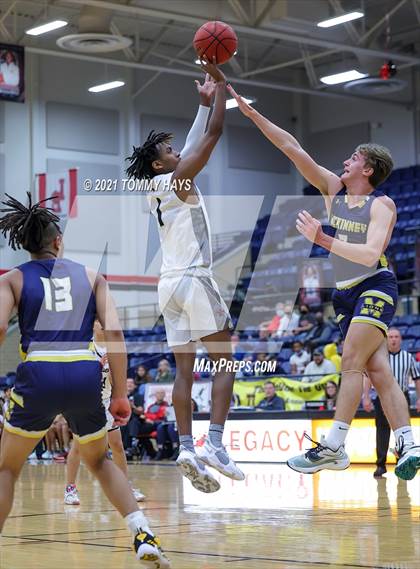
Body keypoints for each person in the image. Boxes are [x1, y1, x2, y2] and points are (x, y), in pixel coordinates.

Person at [228, 85, 419, 480]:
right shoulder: (333, 190)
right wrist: (251, 115)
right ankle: (410, 443)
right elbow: (293, 148)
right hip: (345, 296)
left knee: (350, 361)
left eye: (354, 158)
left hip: (376, 285)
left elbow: (368, 255)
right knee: (379, 371)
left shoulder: (382, 205)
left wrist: (322, 239)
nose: (345, 162)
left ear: (368, 170)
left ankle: (334, 445)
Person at [0, 193, 169, 568]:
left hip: (39, 370)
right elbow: (115, 335)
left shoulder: (12, 279)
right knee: (100, 460)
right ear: (57, 241)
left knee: (7, 468)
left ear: (24, 244)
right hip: (84, 372)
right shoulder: (92, 277)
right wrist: (120, 396)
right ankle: (142, 532)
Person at [126, 60, 244, 492]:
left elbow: (192, 143)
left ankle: (186, 446)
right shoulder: (177, 181)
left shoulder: (155, 188)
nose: (177, 154)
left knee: (184, 372)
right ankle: (214, 442)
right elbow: (210, 138)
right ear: (161, 166)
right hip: (194, 277)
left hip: (167, 286)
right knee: (226, 360)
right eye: (170, 154)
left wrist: (202, 103)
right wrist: (224, 90)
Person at [64, 321, 145, 505]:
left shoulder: (114, 347)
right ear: (92, 324)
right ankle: (70, 489)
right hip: (85, 403)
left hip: (107, 402)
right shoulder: (84, 346)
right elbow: (76, 376)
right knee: (78, 447)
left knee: (117, 446)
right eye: (99, 321)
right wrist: (97, 367)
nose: (103, 324)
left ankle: (125, 486)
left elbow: (119, 380)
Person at [362, 327, 420, 478]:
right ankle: (380, 465)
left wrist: (419, 398)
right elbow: (368, 377)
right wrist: (366, 396)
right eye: (391, 337)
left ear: (401, 339)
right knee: (382, 431)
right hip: (381, 397)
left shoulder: (408, 357)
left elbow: (417, 379)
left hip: (402, 396)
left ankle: (401, 461)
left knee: (401, 431)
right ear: (387, 339)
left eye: (396, 336)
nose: (393, 339)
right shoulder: (379, 359)